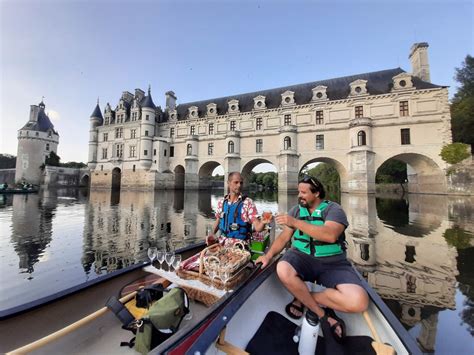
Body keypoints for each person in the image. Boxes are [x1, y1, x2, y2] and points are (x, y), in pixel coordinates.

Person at [256, 175, 368, 343]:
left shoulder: (333, 209)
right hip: (302, 257)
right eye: (298, 192)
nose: (299, 196)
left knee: (359, 301)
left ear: (316, 194)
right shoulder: (296, 210)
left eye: (303, 192)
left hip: (333, 263)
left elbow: (330, 235)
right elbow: (284, 238)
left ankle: (302, 297)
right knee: (283, 268)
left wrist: (295, 222)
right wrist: (268, 255)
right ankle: (323, 315)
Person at [207, 172, 271, 246]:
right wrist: (211, 234)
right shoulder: (222, 202)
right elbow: (218, 221)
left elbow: (257, 228)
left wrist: (263, 222)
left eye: (241, 183)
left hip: (240, 245)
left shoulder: (248, 203)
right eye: (236, 182)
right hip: (222, 244)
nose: (239, 185)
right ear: (229, 183)